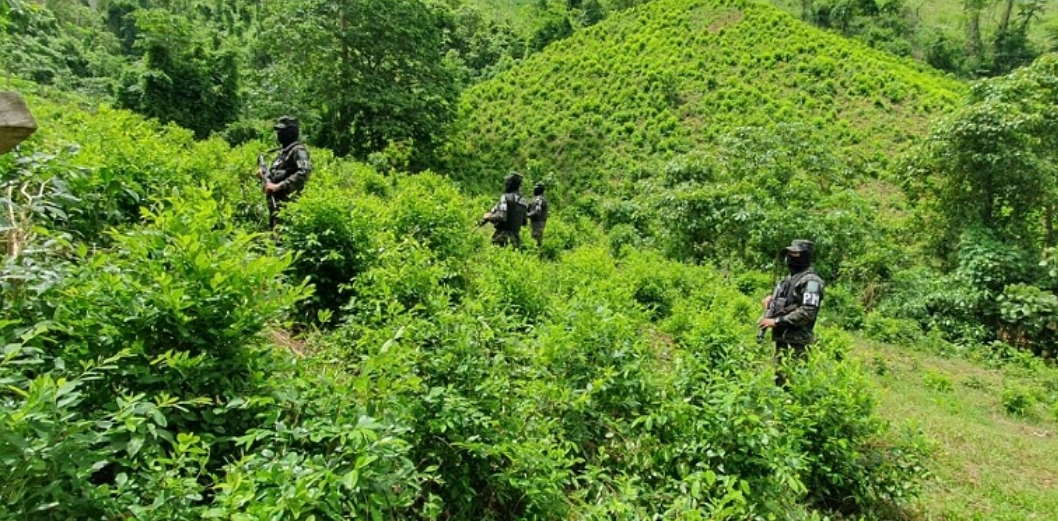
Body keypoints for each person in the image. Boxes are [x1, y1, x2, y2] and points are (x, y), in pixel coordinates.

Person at [758, 239, 825, 384]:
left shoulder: (812, 281)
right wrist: (771, 303)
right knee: (780, 380)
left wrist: (776, 321)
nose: (789, 257)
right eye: (789, 253)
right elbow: (786, 302)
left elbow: (807, 312)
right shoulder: (789, 279)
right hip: (783, 339)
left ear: (805, 256)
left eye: (795, 253)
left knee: (795, 382)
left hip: (797, 342)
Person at [258, 116, 311, 229]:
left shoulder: (298, 150)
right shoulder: (283, 152)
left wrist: (279, 186)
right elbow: (278, 173)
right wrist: (263, 175)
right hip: (276, 203)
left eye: (282, 131)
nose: (279, 134)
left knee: (283, 238)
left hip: (289, 204)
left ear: (291, 132)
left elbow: (304, 172)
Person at [481, 172, 529, 247]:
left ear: (510, 184)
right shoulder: (524, 201)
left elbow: (501, 217)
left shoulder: (505, 197)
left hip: (502, 237)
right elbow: (524, 222)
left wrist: (488, 217)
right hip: (515, 239)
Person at [527, 182, 549, 249]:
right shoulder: (537, 199)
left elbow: (537, 211)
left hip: (538, 223)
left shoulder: (539, 199)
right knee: (536, 240)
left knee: (536, 241)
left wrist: (526, 215)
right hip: (538, 223)